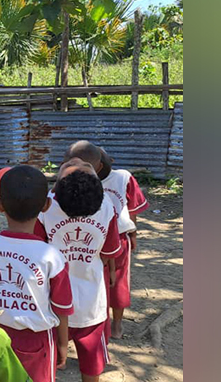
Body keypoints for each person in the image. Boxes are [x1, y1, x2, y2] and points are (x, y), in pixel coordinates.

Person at [0, 165, 73, 382]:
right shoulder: (51, 256)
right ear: (46, 205)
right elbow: (61, 308)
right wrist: (63, 344)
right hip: (36, 342)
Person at [35, 158, 122, 382]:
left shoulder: (46, 207)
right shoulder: (106, 206)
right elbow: (109, 251)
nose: (77, 162)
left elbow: (36, 249)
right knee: (91, 365)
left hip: (51, 303)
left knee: (50, 361)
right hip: (92, 303)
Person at [64, 142, 148, 338]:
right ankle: (95, 325)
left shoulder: (122, 178)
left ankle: (116, 323)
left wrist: (133, 233)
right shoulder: (77, 181)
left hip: (114, 238)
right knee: (90, 280)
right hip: (87, 238)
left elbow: (131, 208)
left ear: (98, 166)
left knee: (117, 283)